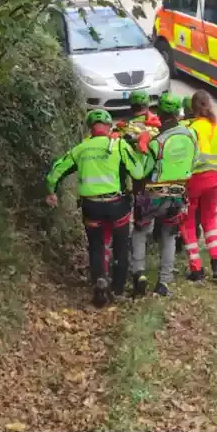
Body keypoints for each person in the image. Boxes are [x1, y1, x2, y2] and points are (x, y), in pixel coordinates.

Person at [46, 109, 145, 306]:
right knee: (120, 246)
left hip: (91, 207)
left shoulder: (81, 148)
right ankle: (117, 289)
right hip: (117, 205)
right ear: (109, 127)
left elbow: (56, 171)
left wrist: (51, 191)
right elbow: (138, 172)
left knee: (97, 245)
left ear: (90, 128)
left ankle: (100, 279)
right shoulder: (118, 145)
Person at [130, 92, 197, 298]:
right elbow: (194, 163)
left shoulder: (155, 143)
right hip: (178, 194)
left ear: (159, 112)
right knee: (169, 237)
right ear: (178, 113)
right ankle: (164, 283)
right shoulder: (190, 136)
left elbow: (141, 172)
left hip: (153, 195)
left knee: (140, 232)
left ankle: (139, 273)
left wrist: (139, 148)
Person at [181, 90, 217, 282]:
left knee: (188, 222)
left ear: (192, 108)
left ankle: (196, 270)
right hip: (213, 179)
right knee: (210, 221)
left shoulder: (193, 129)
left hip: (195, 180)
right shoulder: (215, 126)